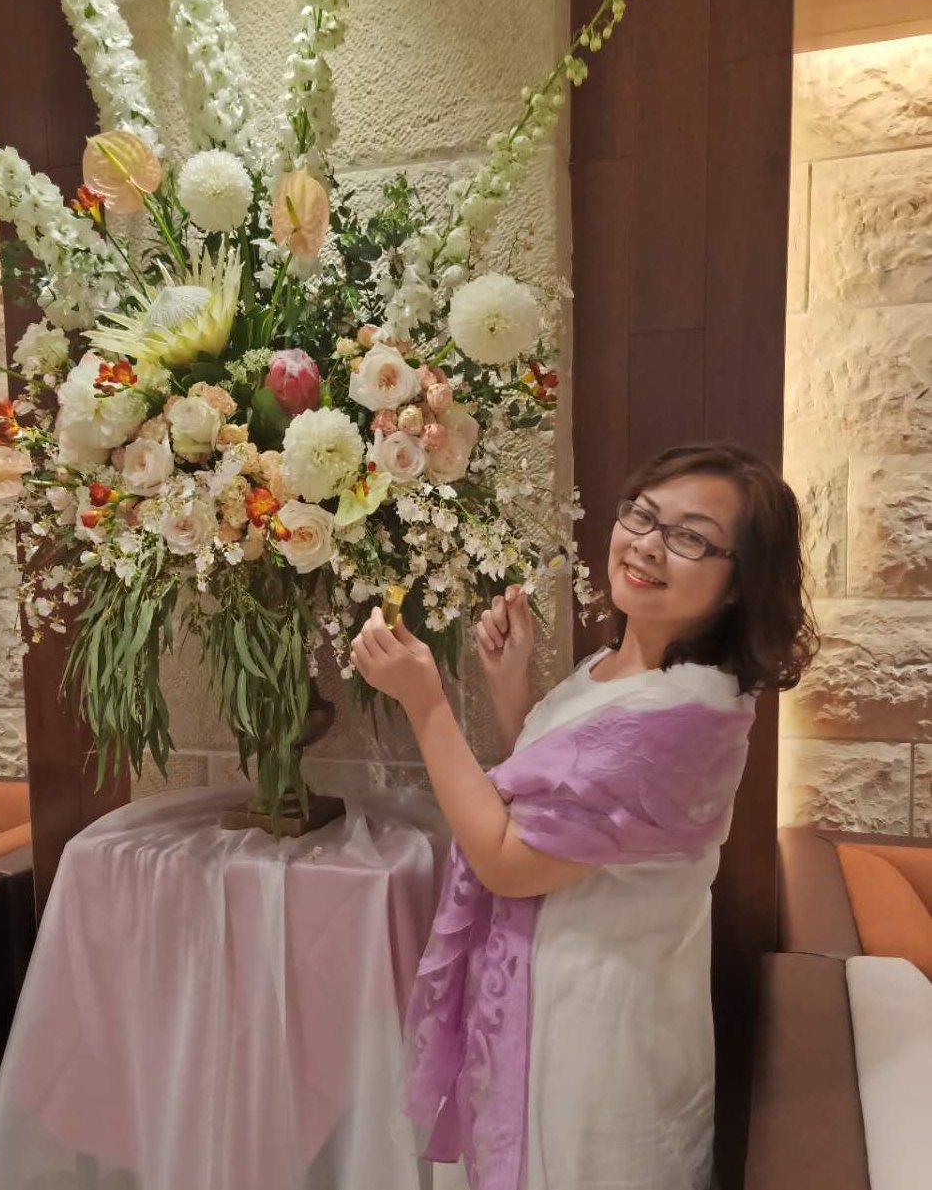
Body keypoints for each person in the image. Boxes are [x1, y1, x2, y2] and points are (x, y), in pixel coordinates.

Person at [350, 442, 818, 1190]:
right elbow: (568, 812)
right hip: (558, 996)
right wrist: (515, 687)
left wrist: (426, 703)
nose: (648, 545)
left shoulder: (683, 713)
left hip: (592, 1033)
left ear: (739, 582)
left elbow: (510, 860)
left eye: (691, 537)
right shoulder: (623, 662)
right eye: (643, 515)